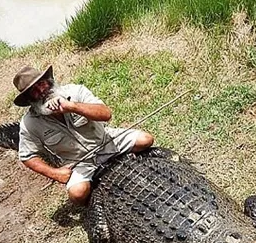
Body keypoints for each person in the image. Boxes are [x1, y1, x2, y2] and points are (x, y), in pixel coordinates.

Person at [13, 65, 154, 205]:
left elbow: (106, 114)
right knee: (77, 194)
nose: (42, 91)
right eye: (34, 91)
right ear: (29, 99)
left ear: (49, 80)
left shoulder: (75, 91)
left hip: (106, 141)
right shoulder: (30, 123)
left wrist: (72, 106)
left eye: (41, 84)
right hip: (80, 162)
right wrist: (55, 173)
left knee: (145, 140)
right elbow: (27, 156)